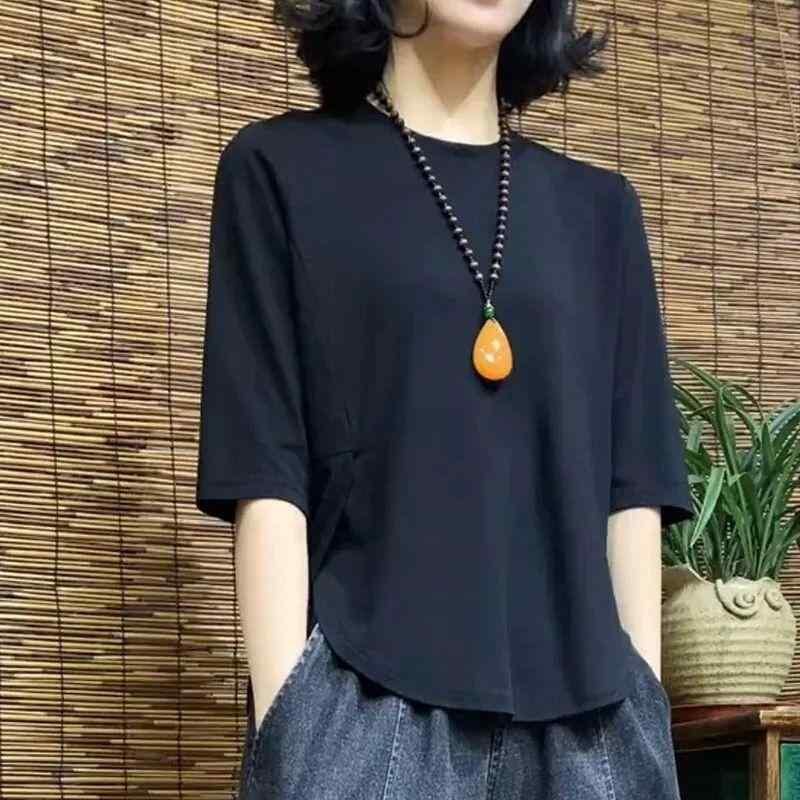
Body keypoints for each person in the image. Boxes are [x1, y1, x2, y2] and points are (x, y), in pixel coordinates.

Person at [195, 0, 695, 797]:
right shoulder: (280, 171)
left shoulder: (602, 211)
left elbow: (633, 484)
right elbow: (265, 467)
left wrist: (640, 704)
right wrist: (296, 728)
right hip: (365, 707)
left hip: (593, 724)